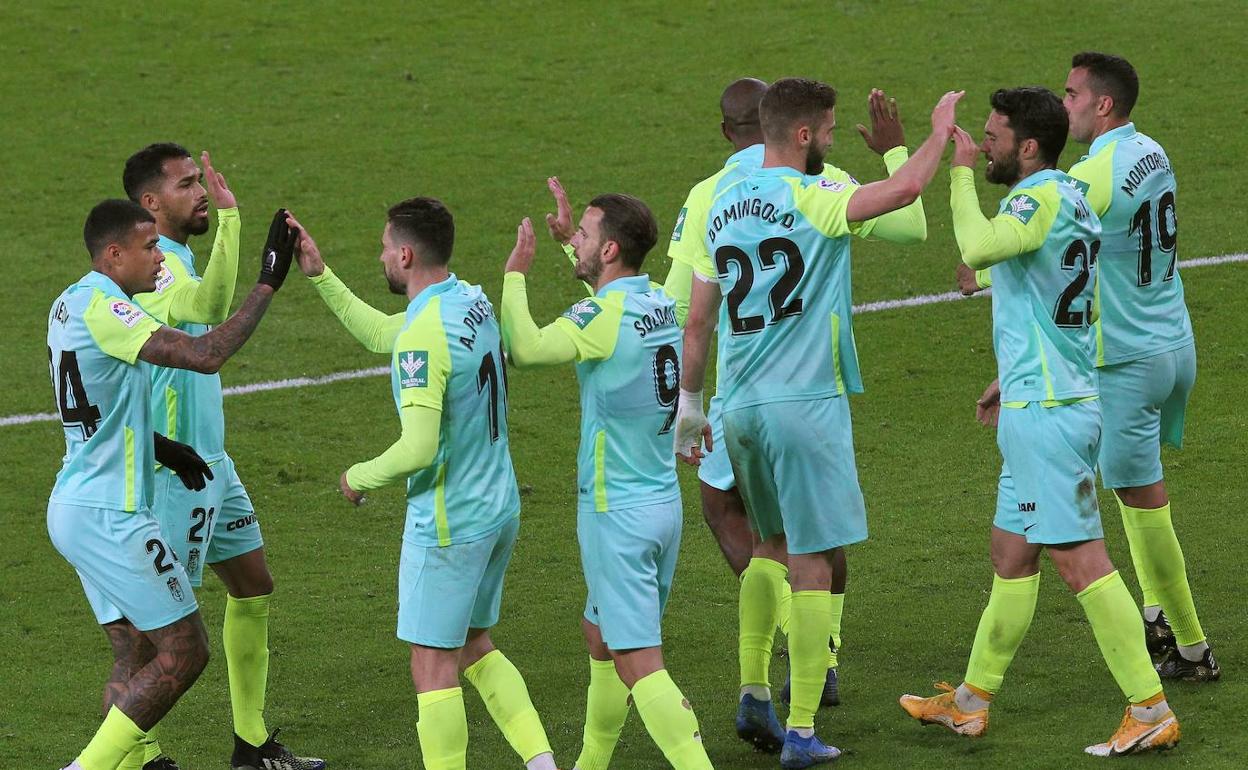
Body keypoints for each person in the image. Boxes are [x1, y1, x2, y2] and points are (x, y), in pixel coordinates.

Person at [674, 77, 964, 767]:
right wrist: (935, 134)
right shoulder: (816, 194)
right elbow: (903, 194)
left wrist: (688, 407)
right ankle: (802, 730)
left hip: (739, 407)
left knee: (767, 547)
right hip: (804, 404)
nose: (833, 140)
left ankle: (752, 692)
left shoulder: (720, 205)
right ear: (802, 134)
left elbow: (696, 322)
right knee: (810, 563)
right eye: (829, 130)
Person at [899, 87, 1180, 758]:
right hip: (1046, 400)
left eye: (993, 137)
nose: (983, 146)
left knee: (1081, 562)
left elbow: (977, 246)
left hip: (1050, 417)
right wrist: (1013, 373)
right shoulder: (1071, 197)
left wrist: (956, 170)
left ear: (1028, 146)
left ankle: (1150, 708)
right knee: (1011, 554)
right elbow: (1064, 295)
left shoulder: (1036, 200)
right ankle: (970, 702)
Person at [284, 201, 558, 770]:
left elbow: (418, 448)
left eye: (385, 247)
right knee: (476, 646)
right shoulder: (468, 300)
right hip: (498, 507)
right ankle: (542, 764)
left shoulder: (424, 334)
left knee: (432, 666)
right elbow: (383, 333)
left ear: (405, 255)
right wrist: (320, 275)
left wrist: (358, 476)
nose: (381, 256)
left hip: (450, 523)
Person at [50, 199, 297, 770]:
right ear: (114, 255)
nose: (160, 256)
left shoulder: (69, 303)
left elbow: (95, 406)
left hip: (80, 502)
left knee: (133, 651)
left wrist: (161, 445)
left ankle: (134, 763)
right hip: (110, 513)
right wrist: (266, 283)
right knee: (184, 650)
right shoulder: (107, 307)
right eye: (149, 247)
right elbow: (205, 354)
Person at [122, 143, 324, 770]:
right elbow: (210, 311)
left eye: (199, 181)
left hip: (213, 463)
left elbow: (206, 300)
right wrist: (237, 228)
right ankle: (135, 754)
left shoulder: (176, 259)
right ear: (151, 202)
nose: (201, 191)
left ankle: (251, 745)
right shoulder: (156, 271)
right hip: (173, 473)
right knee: (151, 631)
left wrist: (229, 222)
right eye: (186, 184)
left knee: (252, 584)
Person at [502, 193, 712, 770]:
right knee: (600, 637)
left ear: (612, 249)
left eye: (587, 235)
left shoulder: (601, 318)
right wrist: (571, 245)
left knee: (639, 663)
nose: (578, 239)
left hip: (615, 514)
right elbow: (609, 312)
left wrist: (516, 276)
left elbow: (526, 349)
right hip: (661, 505)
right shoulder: (657, 300)